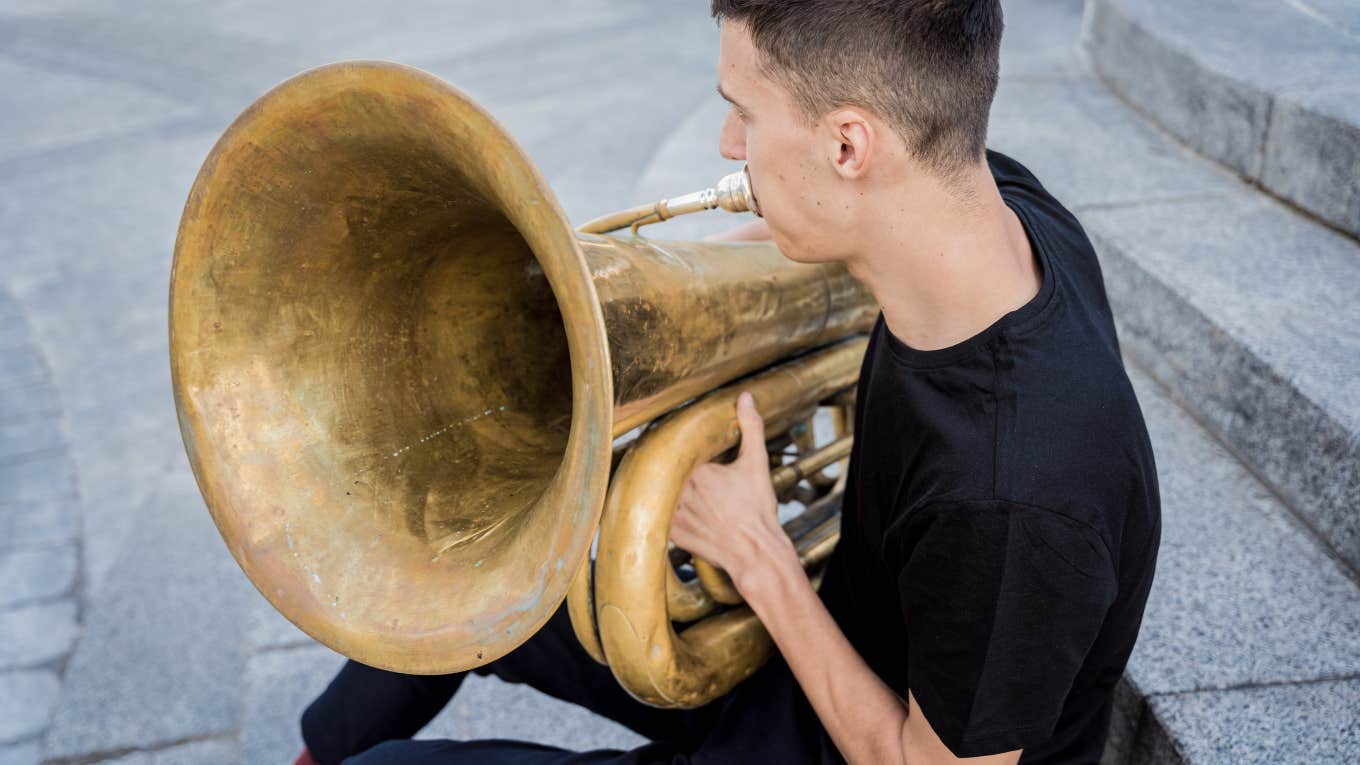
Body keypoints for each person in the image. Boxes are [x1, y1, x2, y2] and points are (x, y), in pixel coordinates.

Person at [296, 1, 1160, 763]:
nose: (727, 146)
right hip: (828, 648)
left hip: (852, 739)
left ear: (848, 144)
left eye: (744, 114)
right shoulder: (991, 197)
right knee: (469, 577)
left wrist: (759, 556)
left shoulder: (1017, 505)